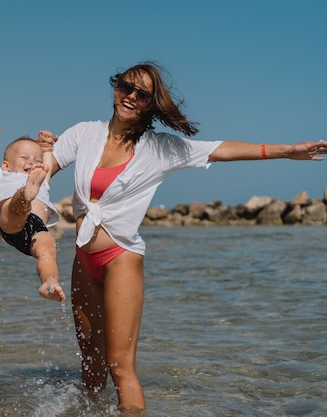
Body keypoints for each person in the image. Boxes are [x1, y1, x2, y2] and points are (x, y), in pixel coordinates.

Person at [38, 62, 327, 416]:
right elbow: (44, 168)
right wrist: (24, 166)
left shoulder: (159, 149)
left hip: (120, 258)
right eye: (125, 87)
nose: (130, 97)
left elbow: (219, 150)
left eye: (141, 94)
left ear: (150, 103)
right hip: (82, 256)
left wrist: (286, 151)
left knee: (119, 365)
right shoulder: (84, 134)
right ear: (115, 87)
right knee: (90, 359)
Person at [0, 120, 66, 303]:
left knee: (48, 250)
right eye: (24, 158)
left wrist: (48, 147)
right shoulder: (1, 175)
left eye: (37, 160)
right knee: (17, 209)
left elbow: (46, 162)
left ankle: (49, 282)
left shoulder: (42, 178)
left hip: (36, 227)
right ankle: (24, 195)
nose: (32, 162)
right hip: (10, 217)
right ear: (6, 165)